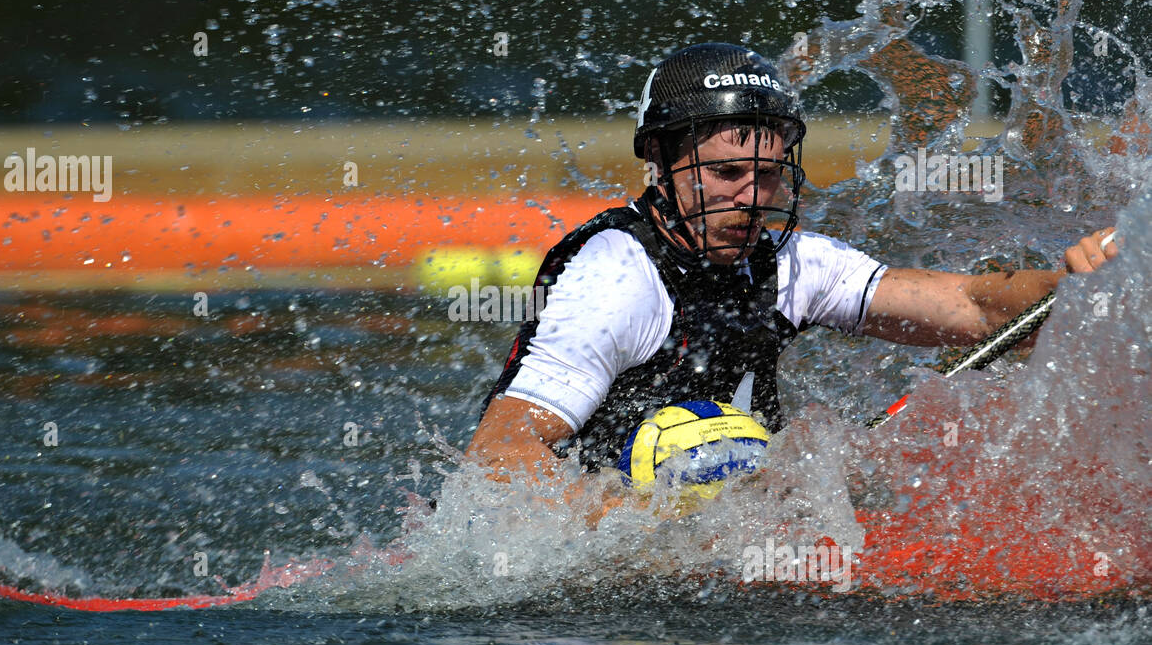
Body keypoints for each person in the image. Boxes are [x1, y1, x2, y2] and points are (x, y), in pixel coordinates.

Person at [465, 42, 1119, 514]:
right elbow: (497, 459)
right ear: (660, 162)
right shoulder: (613, 276)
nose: (752, 198)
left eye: (768, 174)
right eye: (726, 174)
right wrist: (657, 530)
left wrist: (1074, 287)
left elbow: (975, 309)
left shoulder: (791, 263)